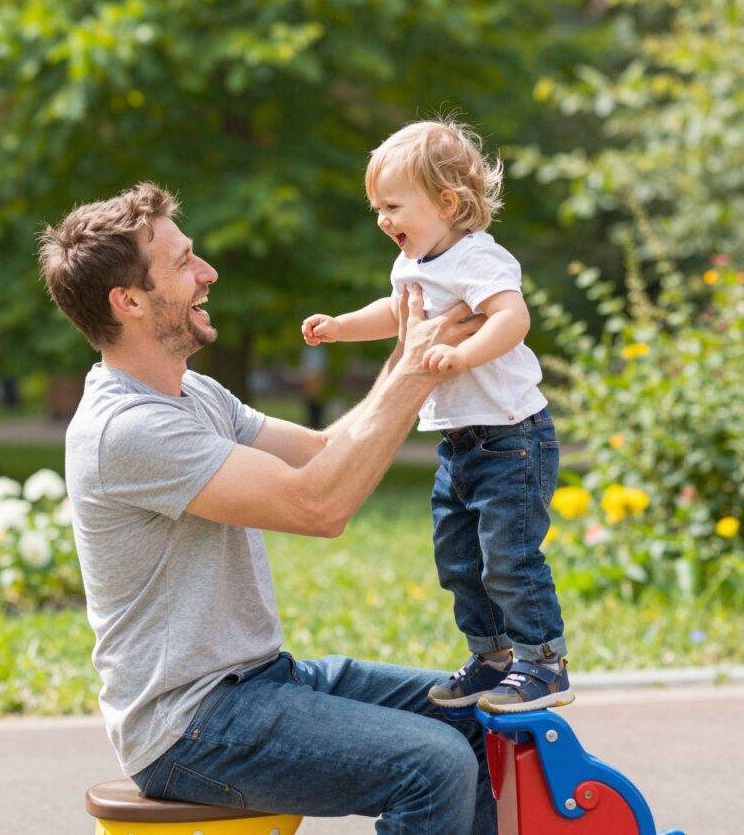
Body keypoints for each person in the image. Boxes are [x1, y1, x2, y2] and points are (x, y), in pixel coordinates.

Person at [37, 182, 496, 835]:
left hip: (262, 682)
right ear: (129, 301)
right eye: (183, 263)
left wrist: (404, 358)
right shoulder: (129, 429)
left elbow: (319, 453)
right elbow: (320, 506)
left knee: (474, 720)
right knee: (434, 763)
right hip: (190, 724)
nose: (207, 273)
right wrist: (417, 374)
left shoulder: (193, 393)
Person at [301, 118, 572, 713]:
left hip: (511, 438)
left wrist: (461, 352)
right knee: (457, 557)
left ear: (446, 202)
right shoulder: (413, 265)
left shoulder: (479, 258)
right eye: (376, 208)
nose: (382, 220)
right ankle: (492, 656)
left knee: (508, 555)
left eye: (393, 205)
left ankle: (543, 661)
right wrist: (342, 327)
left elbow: (511, 319)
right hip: (459, 444)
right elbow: (394, 312)